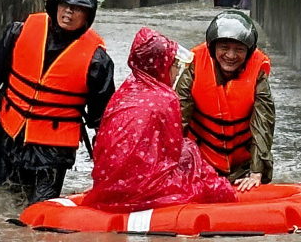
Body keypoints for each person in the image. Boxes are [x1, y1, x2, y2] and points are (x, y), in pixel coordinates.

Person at [0, 0, 115, 204]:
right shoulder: (19, 32)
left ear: (88, 16)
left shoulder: (98, 61)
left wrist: (107, 158)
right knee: (3, 205)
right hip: (10, 138)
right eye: (65, 4)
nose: (69, 11)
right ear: (55, 5)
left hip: (53, 152)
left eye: (78, 8)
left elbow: (102, 118)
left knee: (39, 216)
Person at [83, 28, 238, 211]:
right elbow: (173, 153)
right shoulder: (166, 98)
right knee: (189, 152)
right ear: (160, 65)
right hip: (144, 190)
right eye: (174, 65)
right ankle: (228, 194)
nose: (175, 72)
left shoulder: (124, 92)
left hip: (108, 187)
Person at [176, 10, 274, 192]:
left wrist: (256, 171)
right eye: (224, 48)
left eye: (239, 49)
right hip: (201, 162)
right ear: (213, 48)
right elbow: (178, 118)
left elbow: (263, 123)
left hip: (242, 167)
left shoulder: (257, 72)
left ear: (249, 51)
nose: (231, 55)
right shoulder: (194, 66)